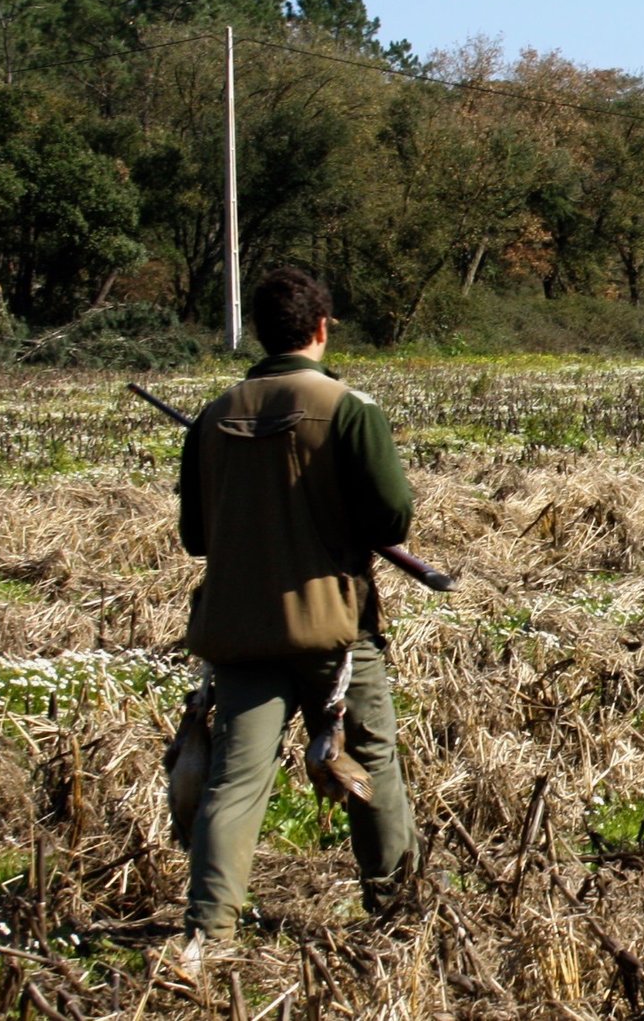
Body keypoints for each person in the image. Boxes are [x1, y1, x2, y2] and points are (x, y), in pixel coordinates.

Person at [174, 267, 417, 949]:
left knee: (235, 782)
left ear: (260, 331)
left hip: (239, 633)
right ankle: (398, 915)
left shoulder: (213, 416)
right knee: (371, 764)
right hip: (334, 632)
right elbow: (392, 515)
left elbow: (197, 537)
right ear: (321, 327)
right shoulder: (349, 408)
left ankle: (207, 933)